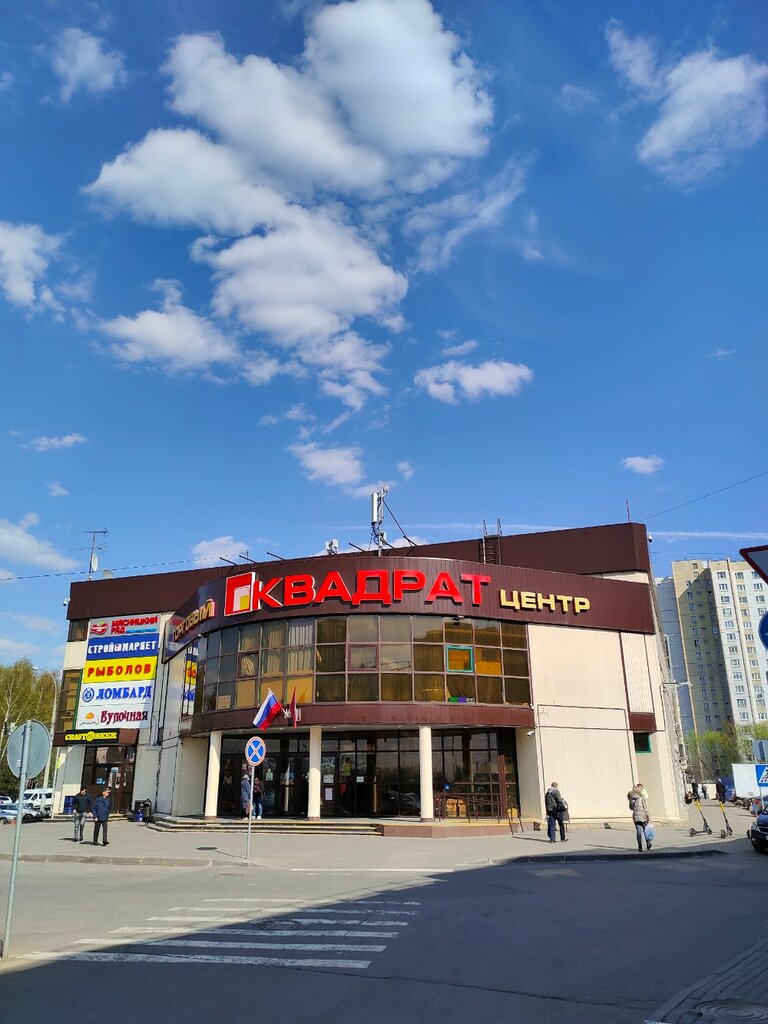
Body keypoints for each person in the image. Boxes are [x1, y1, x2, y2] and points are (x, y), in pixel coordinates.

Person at [628, 783, 652, 851]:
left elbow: (631, 808)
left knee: (638, 832)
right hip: (643, 816)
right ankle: (648, 843)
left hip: (636, 817)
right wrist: (649, 816)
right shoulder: (641, 798)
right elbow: (645, 808)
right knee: (645, 830)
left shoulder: (631, 798)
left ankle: (640, 846)